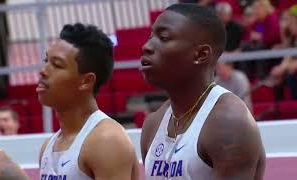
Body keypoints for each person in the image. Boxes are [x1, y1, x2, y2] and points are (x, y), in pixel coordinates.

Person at [140, 3, 265, 179]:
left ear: (200, 55)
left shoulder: (228, 123)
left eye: (164, 37)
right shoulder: (153, 124)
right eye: (151, 36)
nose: (147, 46)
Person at [38, 23, 139, 180]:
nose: (43, 71)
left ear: (86, 81)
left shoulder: (106, 141)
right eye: (46, 60)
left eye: (57, 65)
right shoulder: (48, 147)